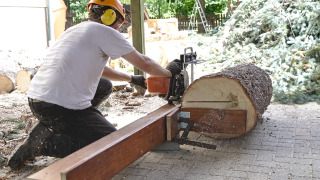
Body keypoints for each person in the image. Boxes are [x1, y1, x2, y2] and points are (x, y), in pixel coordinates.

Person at [7, 0, 182, 169]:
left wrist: (131, 78)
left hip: (38, 101)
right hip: (60, 106)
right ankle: (44, 144)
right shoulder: (104, 32)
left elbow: (103, 70)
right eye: (119, 21)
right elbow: (143, 62)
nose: (118, 26)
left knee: (104, 85)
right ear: (109, 16)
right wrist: (169, 73)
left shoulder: (75, 29)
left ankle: (61, 126)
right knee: (111, 145)